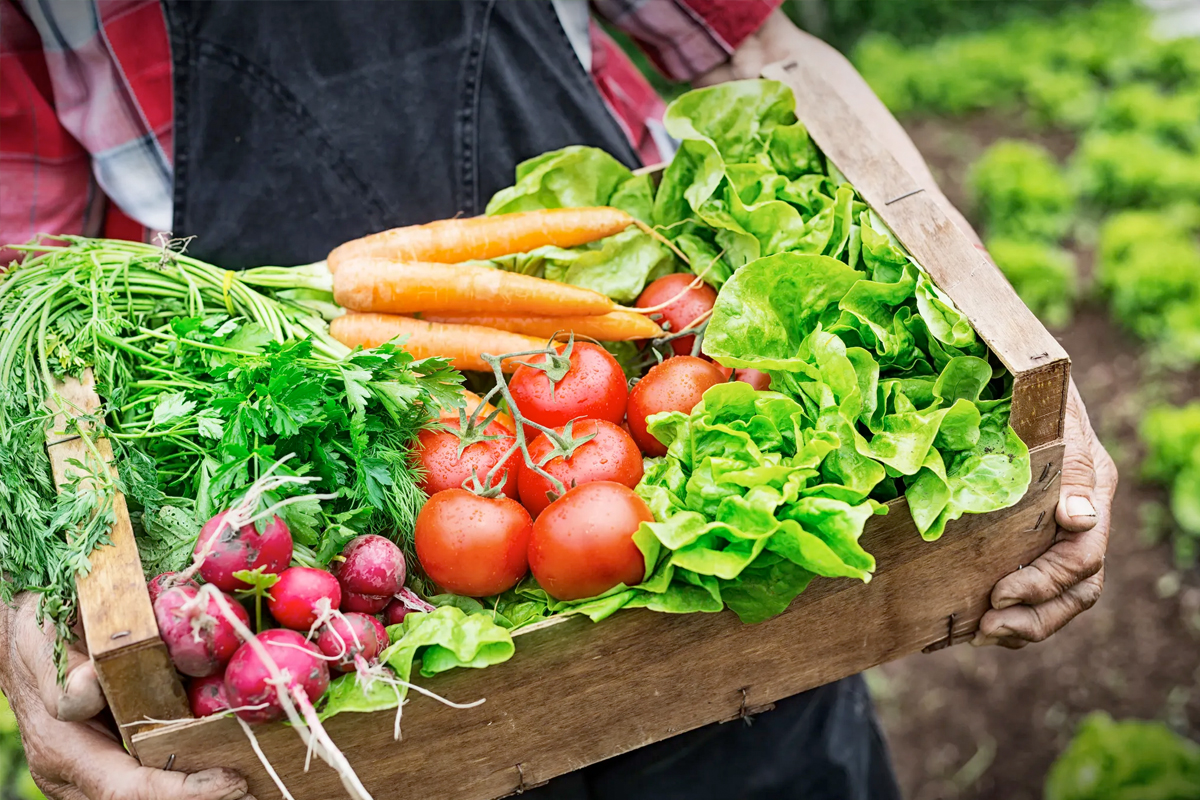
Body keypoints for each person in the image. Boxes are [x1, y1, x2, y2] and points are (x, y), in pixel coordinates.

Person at [0, 2, 1117, 799]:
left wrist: (1010, 338)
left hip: (712, 579)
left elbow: (759, 49)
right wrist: (25, 615)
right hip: (297, 562)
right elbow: (20, 288)